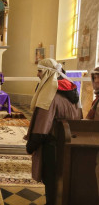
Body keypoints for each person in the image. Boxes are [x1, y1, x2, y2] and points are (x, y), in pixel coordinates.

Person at [25, 58, 82, 205]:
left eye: (40, 71)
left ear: (49, 73)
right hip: (70, 144)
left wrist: (31, 146)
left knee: (52, 180)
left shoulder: (51, 95)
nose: (37, 74)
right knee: (65, 179)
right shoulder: (73, 91)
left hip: (53, 147)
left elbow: (42, 128)